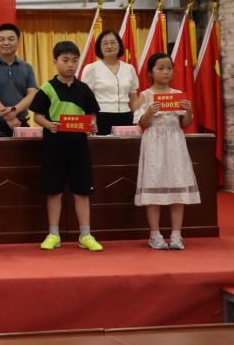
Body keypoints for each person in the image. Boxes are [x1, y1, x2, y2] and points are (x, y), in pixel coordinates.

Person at [29, 40, 103, 252]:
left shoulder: (84, 89)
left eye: (74, 60)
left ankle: (85, 235)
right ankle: (53, 234)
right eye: (65, 60)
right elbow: (37, 116)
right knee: (54, 192)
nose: (71, 64)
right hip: (53, 148)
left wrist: (93, 125)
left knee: (82, 192)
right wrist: (48, 125)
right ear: (55, 61)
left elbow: (91, 115)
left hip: (79, 147)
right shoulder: (47, 88)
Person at [134, 53, 201, 250]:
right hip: (153, 143)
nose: (166, 72)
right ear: (150, 72)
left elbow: (185, 124)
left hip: (175, 143)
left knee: (177, 186)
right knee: (153, 187)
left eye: (169, 68)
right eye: (160, 68)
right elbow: (141, 123)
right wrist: (149, 112)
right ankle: (155, 235)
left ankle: (176, 235)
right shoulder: (145, 95)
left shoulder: (178, 94)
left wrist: (189, 111)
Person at [0, 23, 38, 137]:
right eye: (2, 39)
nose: (6, 43)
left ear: (18, 42)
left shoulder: (27, 67)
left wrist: (15, 110)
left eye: (11, 39)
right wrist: (8, 117)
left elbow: (32, 94)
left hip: (21, 122)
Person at [80, 29, 139, 135]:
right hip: (101, 117)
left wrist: (138, 118)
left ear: (119, 45)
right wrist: (90, 121)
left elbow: (133, 99)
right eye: (105, 43)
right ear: (99, 47)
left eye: (113, 42)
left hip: (126, 117)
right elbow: (86, 100)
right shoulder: (91, 68)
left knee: (125, 146)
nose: (109, 46)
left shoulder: (129, 68)